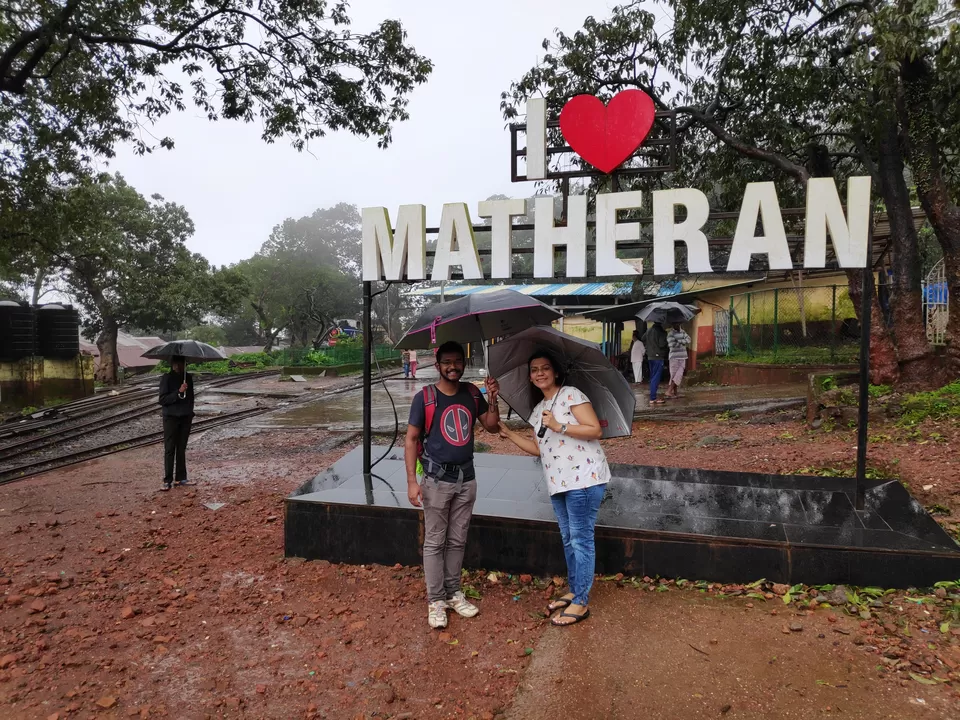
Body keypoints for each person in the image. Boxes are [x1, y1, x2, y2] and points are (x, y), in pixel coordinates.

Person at [497, 351, 610, 627]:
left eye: (545, 368)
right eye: (534, 369)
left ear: (556, 372)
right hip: (558, 482)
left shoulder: (571, 395)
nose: (539, 373)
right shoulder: (538, 411)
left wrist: (559, 424)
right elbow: (538, 448)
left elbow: (595, 430)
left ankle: (581, 602)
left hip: (583, 479)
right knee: (568, 538)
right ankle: (574, 589)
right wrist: (510, 434)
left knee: (581, 540)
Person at [405, 341, 501, 629]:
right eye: (447, 362)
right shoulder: (425, 398)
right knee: (435, 541)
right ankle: (436, 600)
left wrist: (493, 397)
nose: (453, 366)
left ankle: (453, 593)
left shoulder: (472, 393)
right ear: (437, 365)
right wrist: (412, 482)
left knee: (458, 540)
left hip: (466, 478)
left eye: (458, 361)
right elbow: (410, 439)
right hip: (435, 480)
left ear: (464, 362)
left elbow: (493, 426)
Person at [158, 356, 195, 491]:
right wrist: (178, 392)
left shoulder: (188, 378)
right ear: (172, 364)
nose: (179, 366)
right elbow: (162, 399)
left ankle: (181, 478)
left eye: (182, 363)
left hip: (185, 417)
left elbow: (191, 398)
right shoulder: (166, 378)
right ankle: (167, 480)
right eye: (176, 364)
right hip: (171, 418)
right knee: (169, 449)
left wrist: (190, 412)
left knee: (181, 448)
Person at [643, 321, 668, 405]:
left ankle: (652, 396)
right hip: (658, 357)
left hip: (650, 356)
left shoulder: (649, 330)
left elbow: (643, 338)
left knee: (653, 376)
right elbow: (662, 344)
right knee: (656, 377)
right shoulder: (660, 332)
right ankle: (653, 398)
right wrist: (665, 337)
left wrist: (648, 348)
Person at [666, 323, 691, 398]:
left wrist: (679, 341)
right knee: (674, 375)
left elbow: (689, 340)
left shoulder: (683, 332)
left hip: (683, 356)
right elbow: (671, 344)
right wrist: (682, 342)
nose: (675, 325)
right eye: (674, 324)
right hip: (674, 357)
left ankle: (669, 391)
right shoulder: (670, 333)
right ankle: (673, 392)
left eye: (677, 324)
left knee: (679, 374)